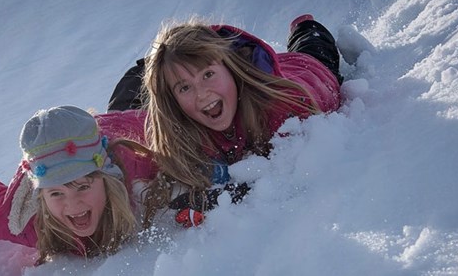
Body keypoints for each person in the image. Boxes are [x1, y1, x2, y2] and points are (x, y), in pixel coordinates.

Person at [115, 15, 343, 226]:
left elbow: (285, 173)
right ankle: (162, 68)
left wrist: (229, 194)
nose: (201, 93)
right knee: (133, 93)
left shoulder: (284, 108)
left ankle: (304, 25)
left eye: (208, 74)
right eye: (184, 87)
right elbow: (121, 132)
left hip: (307, 68)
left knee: (314, 45)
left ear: (231, 69)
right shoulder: (180, 125)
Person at [0, 105, 158, 265]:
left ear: (106, 179)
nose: (73, 205)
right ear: (40, 197)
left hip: (118, 127)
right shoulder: (23, 221)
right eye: (56, 193)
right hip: (50, 158)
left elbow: (162, 126)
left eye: (83, 186)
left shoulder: (133, 164)